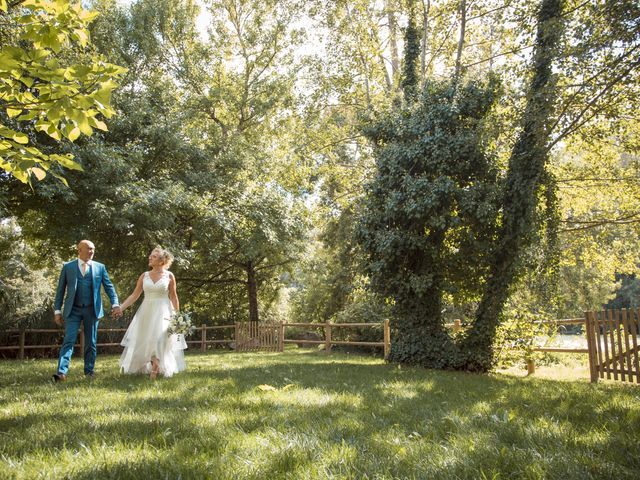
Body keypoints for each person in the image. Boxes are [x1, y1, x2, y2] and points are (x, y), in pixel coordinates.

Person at [53, 240, 121, 382]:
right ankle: (61, 373)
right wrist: (57, 311)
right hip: (73, 310)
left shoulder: (99, 267)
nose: (91, 252)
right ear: (79, 250)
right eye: (89, 249)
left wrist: (115, 303)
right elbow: (60, 291)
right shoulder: (68, 267)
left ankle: (89, 372)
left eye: (93, 249)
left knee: (91, 342)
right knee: (69, 340)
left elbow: (109, 287)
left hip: (92, 310)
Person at [118, 247, 187, 379]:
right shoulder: (144, 276)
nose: (150, 257)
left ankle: (155, 370)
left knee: (160, 339)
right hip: (146, 311)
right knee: (147, 340)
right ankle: (152, 363)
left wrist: (178, 317)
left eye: (154, 256)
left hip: (164, 311)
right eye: (150, 255)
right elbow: (134, 295)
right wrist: (121, 308)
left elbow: (173, 296)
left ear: (162, 261)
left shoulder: (169, 276)